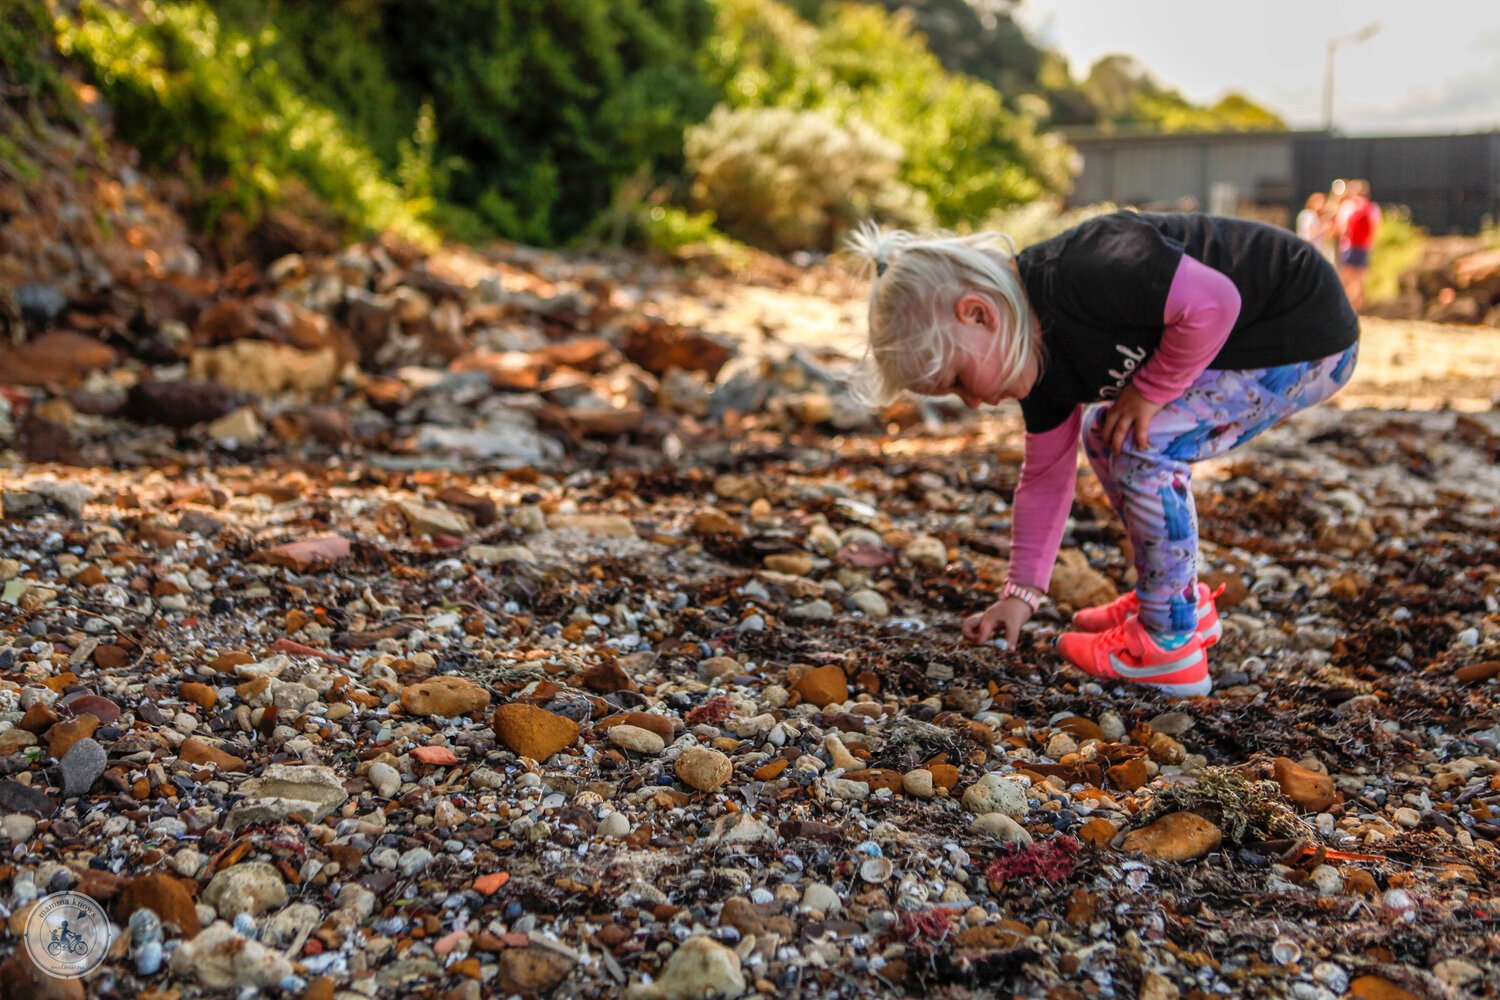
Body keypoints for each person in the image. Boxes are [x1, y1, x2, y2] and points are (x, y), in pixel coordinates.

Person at [849, 211, 1359, 697]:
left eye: (960, 381)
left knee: (1144, 443)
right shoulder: (1036, 364)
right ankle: (1176, 602)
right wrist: (1020, 595)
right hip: (1255, 342)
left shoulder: (1092, 265)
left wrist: (1154, 390)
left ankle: (1170, 646)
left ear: (978, 314)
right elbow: (1045, 476)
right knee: (1107, 431)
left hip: (1301, 328)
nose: (975, 402)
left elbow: (1215, 303)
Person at [1335, 179, 1381, 310]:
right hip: (1364, 245)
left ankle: (1346, 304)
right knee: (1360, 276)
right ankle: (1360, 304)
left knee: (1346, 275)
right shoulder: (1372, 207)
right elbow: (1375, 227)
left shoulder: (1348, 206)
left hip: (1348, 245)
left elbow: (1341, 227)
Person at [1296, 191, 1335, 263]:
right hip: (1308, 251)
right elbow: (1310, 235)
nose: (1323, 205)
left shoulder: (1316, 217)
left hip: (1315, 252)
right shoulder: (1308, 215)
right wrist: (1323, 228)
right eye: (1321, 202)